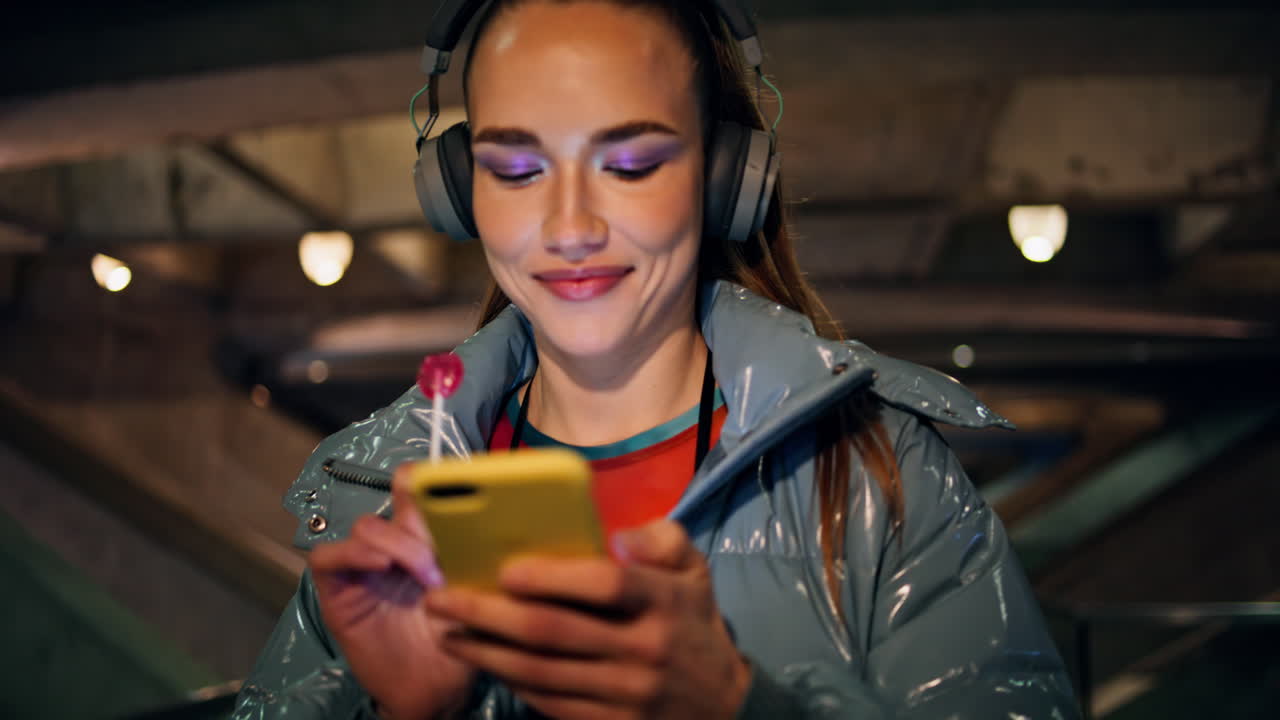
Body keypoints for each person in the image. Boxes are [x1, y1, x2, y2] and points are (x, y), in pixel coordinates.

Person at [234, 1, 1080, 718]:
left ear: (723, 177)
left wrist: (737, 704)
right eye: (517, 169)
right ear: (462, 192)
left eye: (632, 164)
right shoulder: (377, 497)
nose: (569, 229)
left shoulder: (878, 471)